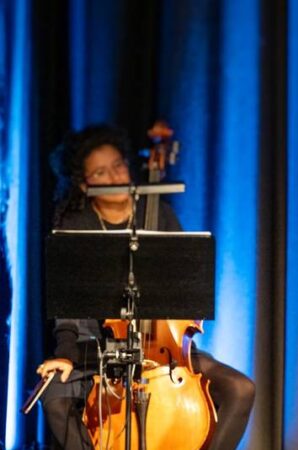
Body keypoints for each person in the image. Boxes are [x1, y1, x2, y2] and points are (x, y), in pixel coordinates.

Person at [36, 124, 255, 450]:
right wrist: (65, 355)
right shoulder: (76, 225)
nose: (115, 177)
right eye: (100, 172)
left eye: (118, 165)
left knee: (241, 388)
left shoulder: (159, 215)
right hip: (98, 349)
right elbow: (70, 310)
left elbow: (186, 285)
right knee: (54, 397)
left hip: (163, 351)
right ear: (84, 184)